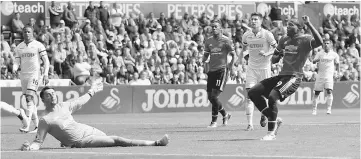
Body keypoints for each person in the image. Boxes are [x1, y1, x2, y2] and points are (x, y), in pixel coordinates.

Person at [20, 79, 169, 151]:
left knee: (106, 136)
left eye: (53, 93)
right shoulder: (45, 120)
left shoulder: (64, 105)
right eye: (48, 95)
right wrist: (29, 147)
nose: (52, 96)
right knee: (117, 140)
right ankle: (156, 143)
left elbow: (81, 100)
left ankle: (65, 143)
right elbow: (38, 142)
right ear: (43, 99)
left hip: (86, 129)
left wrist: (92, 91)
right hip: (81, 140)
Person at [247, 15, 323, 140]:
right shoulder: (284, 39)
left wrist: (309, 24)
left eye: (291, 25)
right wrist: (280, 55)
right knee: (253, 92)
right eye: (287, 24)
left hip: (293, 77)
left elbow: (319, 42)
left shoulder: (305, 39)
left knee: (272, 97)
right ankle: (274, 119)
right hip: (282, 76)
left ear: (299, 27)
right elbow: (274, 59)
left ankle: (271, 133)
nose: (287, 27)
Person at [235, 12, 277, 131]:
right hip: (251, 68)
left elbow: (276, 47)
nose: (253, 21)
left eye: (256, 19)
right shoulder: (246, 35)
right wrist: (239, 59)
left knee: (267, 97)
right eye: (252, 19)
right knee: (249, 96)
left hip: (264, 69)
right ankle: (250, 124)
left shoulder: (267, 34)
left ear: (261, 21)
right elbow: (244, 48)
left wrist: (267, 53)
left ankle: (264, 114)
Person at [14, 26, 50, 133]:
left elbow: (46, 61)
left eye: (29, 32)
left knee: (29, 97)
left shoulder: (38, 45)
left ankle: (26, 124)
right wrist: (14, 68)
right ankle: (37, 126)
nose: (27, 33)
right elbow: (17, 61)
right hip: (23, 76)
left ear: (32, 33)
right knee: (29, 100)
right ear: (22, 33)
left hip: (35, 74)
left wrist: (46, 74)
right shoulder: (19, 47)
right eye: (25, 32)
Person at [203, 22, 236, 128]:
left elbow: (233, 54)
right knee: (210, 97)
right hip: (211, 71)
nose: (213, 28)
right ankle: (225, 115)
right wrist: (203, 61)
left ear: (220, 29)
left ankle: (214, 122)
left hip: (221, 70)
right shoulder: (209, 40)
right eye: (212, 27)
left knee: (214, 96)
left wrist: (232, 67)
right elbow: (206, 54)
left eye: (215, 27)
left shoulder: (226, 40)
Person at [312, 39, 340, 115]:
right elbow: (313, 61)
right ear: (323, 45)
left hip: (329, 76)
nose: (326, 44)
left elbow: (337, 64)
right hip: (320, 75)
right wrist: (316, 60)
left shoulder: (334, 54)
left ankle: (329, 109)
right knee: (316, 93)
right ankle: (314, 110)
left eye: (328, 43)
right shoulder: (320, 53)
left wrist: (338, 73)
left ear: (331, 45)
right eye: (325, 43)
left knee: (329, 91)